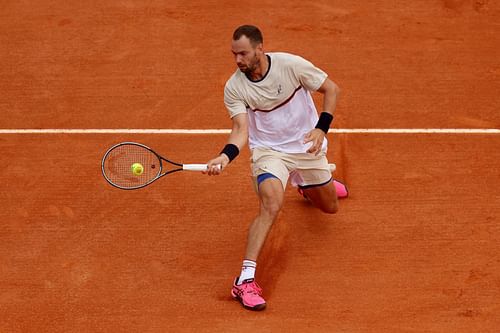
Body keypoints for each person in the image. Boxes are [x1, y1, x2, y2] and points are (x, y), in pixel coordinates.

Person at [204, 25, 348, 311]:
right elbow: (240, 130)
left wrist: (321, 129)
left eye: (243, 53)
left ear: (260, 48)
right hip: (270, 152)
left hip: (306, 146)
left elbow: (331, 88)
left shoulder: (291, 65)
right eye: (234, 54)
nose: (238, 60)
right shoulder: (235, 86)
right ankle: (244, 280)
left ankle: (306, 187)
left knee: (330, 207)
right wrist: (225, 156)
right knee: (271, 203)